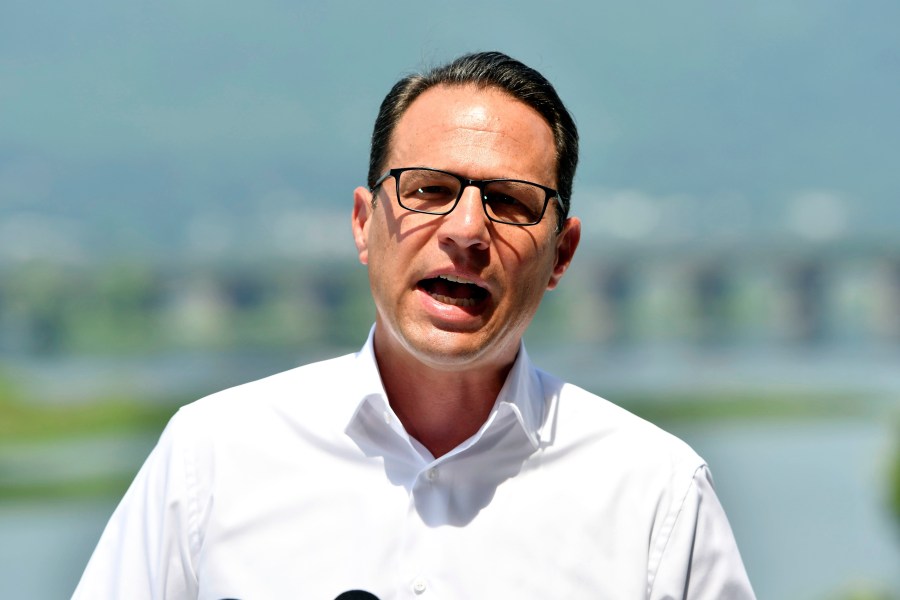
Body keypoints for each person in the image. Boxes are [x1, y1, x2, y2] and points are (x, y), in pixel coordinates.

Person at [74, 51, 755, 599]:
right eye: (429, 190)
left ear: (562, 254)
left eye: (510, 202)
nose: (466, 230)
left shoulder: (654, 493)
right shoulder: (212, 458)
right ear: (364, 224)